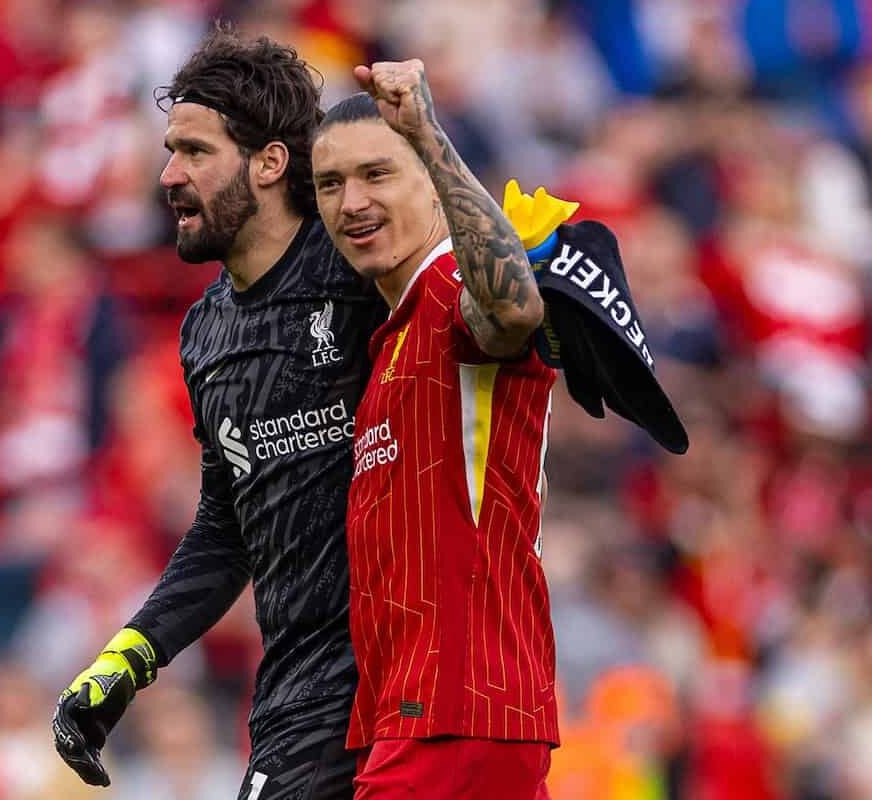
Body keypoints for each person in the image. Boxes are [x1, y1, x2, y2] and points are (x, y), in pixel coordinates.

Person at [51, 27, 387, 799]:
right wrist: (127, 658)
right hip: (297, 694)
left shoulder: (364, 269)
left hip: (407, 679)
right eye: (170, 150)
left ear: (270, 162)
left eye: (196, 152)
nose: (168, 174)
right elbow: (227, 523)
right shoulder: (207, 330)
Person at [310, 63, 574, 798]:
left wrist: (426, 130)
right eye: (330, 185)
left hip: (459, 716)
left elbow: (516, 311)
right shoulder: (386, 337)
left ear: (430, 181)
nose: (352, 202)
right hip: (425, 717)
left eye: (376, 174)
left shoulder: (456, 286)